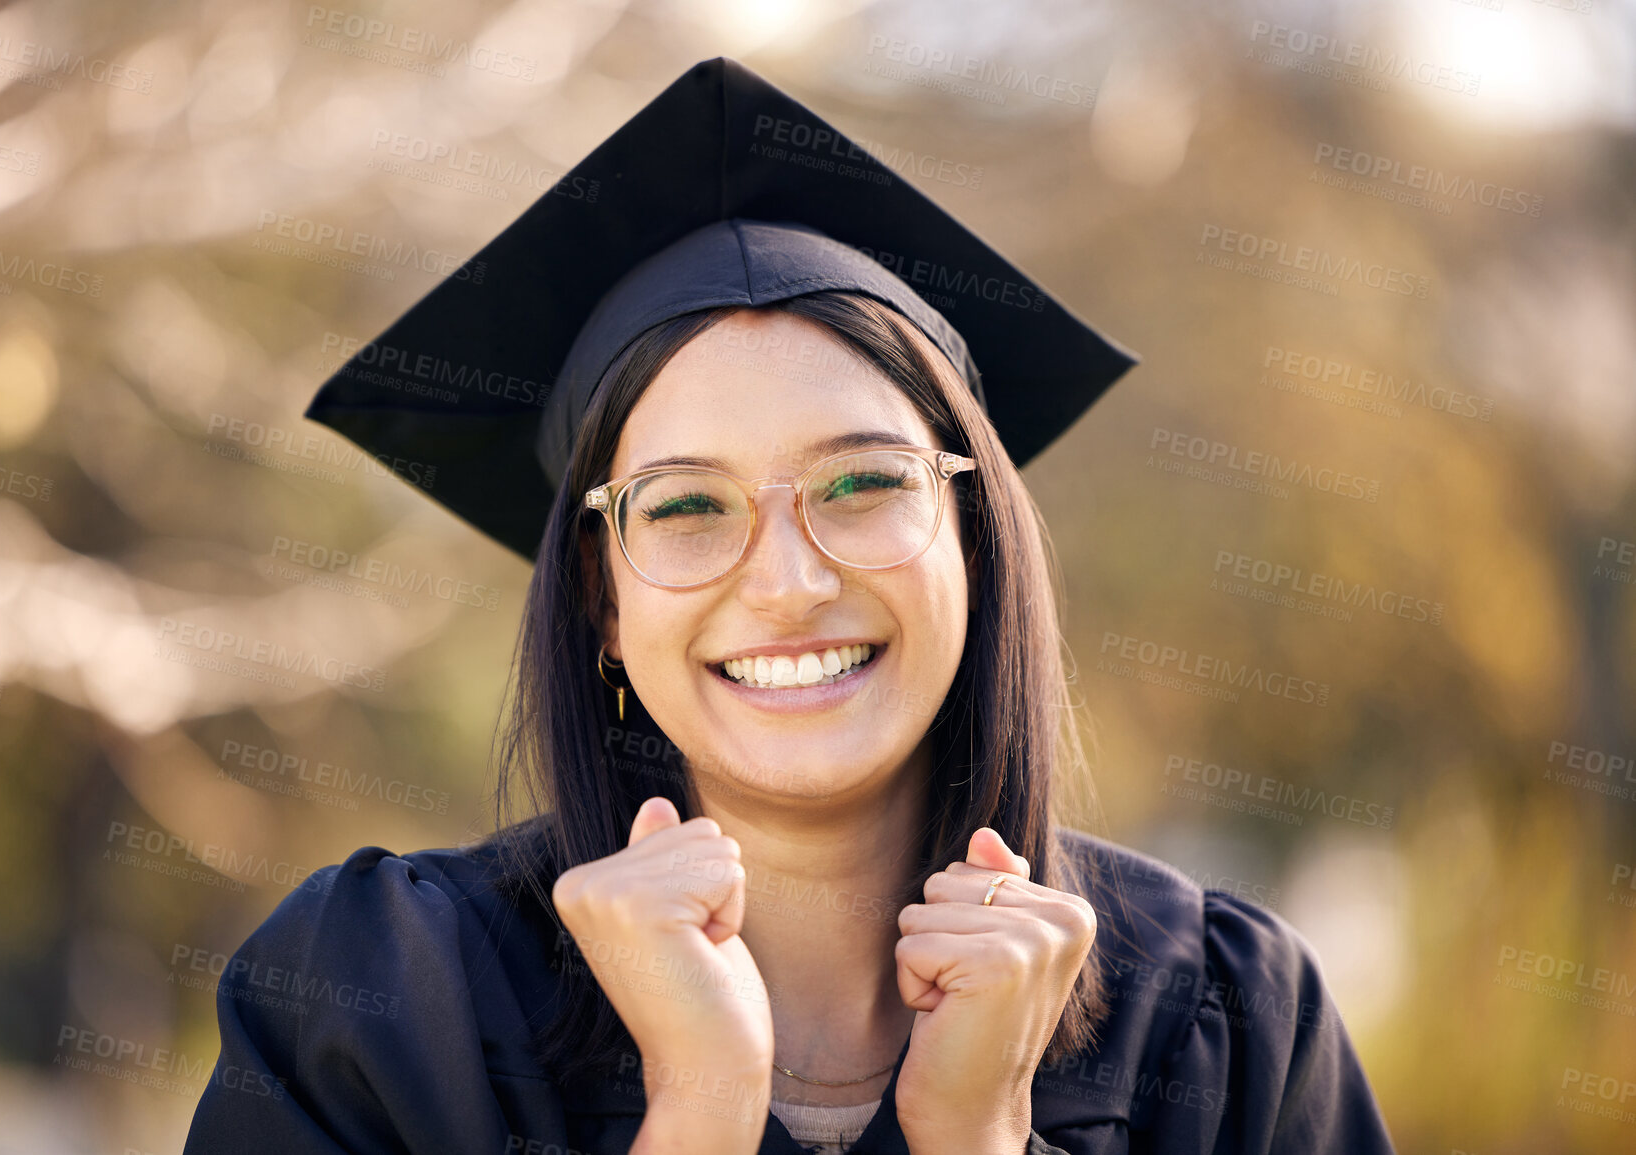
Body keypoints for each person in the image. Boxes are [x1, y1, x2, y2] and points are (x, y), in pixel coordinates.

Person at [183, 59, 1397, 1155]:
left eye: (864, 483)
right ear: (600, 602)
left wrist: (975, 1137)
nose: (790, 581)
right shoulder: (386, 1013)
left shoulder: (1222, 1034)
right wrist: (702, 1108)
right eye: (684, 508)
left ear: (974, 540)